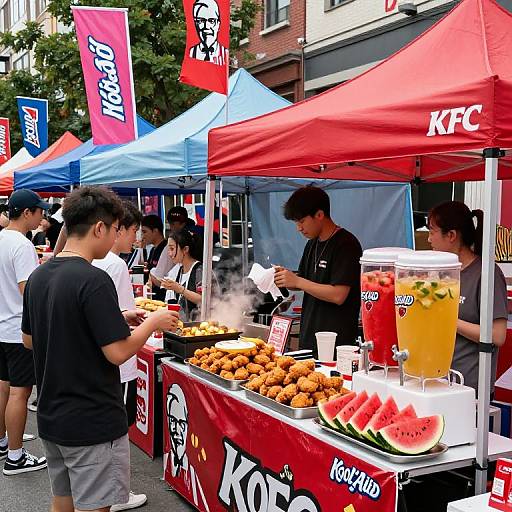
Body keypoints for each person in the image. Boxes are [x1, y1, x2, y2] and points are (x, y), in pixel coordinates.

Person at [21, 186, 179, 512]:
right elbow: (119, 353)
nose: (116, 238)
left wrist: (117, 317)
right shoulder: (93, 279)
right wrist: (153, 323)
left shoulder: (40, 276)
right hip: (90, 420)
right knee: (96, 506)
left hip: (53, 416)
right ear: (99, 227)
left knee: (62, 501)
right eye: (116, 229)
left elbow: (30, 339)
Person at [92, 200, 147, 512]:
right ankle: (118, 494)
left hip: (97, 359)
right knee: (118, 428)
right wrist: (149, 321)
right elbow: (123, 319)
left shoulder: (94, 261)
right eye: (131, 232)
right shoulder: (115, 264)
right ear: (117, 229)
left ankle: (110, 492)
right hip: (120, 362)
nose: (134, 239)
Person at [428, 201, 508, 396]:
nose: (429, 239)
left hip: (469, 388)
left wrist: (450, 321)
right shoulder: (441, 272)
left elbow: (498, 335)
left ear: (451, 235)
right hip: (436, 380)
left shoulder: (486, 275)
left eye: (432, 232)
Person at [274, 186, 362, 354]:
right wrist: (285, 278)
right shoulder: (312, 243)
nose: (299, 228)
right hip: (309, 338)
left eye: (301, 221)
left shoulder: (346, 244)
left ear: (319, 215)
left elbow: (338, 295)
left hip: (337, 343)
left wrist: (298, 281)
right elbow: (305, 281)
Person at [0, 189, 49, 475]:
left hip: (2, 326)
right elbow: (28, 292)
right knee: (20, 392)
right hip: (18, 329)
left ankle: (5, 442)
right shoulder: (22, 244)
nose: (43, 215)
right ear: (27, 212)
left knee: (3, 386)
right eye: (39, 210)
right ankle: (16, 457)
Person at [161, 230, 207, 321]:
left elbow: (204, 300)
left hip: (198, 326)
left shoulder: (199, 270)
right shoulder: (179, 269)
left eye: (172, 249)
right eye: (168, 249)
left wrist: (180, 289)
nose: (169, 254)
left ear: (185, 249)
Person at [189, 0, 228, 66]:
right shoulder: (191, 53)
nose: (206, 26)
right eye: (201, 21)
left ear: (218, 24)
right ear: (195, 24)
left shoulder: (225, 54)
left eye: (211, 21)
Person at [142, 214, 167, 302]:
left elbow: (160, 278)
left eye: (145, 232)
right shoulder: (153, 249)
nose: (143, 236)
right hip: (152, 297)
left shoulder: (166, 249)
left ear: (155, 231)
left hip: (162, 298)